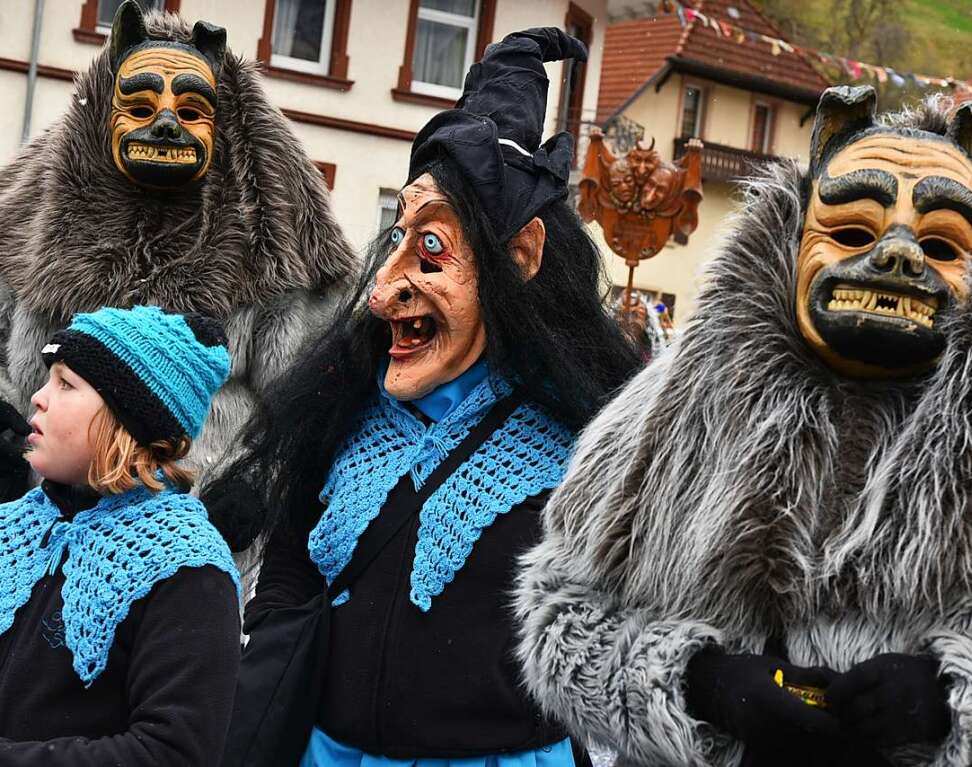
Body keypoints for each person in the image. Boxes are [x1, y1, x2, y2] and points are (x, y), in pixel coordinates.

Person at [515, 87, 972, 767]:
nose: (900, 253)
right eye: (851, 231)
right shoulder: (666, 409)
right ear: (796, 236)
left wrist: (959, 695)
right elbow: (559, 615)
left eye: (938, 243)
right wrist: (698, 681)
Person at [212, 27, 641, 767]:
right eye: (398, 235)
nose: (382, 292)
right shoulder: (345, 406)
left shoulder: (584, 449)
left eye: (432, 248)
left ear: (521, 257)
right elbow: (291, 554)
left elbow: (622, 629)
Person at [0, 0, 357, 504]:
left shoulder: (270, 247)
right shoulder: (28, 221)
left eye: (191, 111)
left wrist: (254, 480)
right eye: (142, 107)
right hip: (35, 522)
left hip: (188, 534)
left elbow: (308, 396)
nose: (167, 125)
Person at [0, 305, 241, 766]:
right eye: (48, 379)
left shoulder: (187, 569)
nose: (37, 397)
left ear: (127, 419)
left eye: (66, 384)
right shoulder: (13, 527)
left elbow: (174, 751)